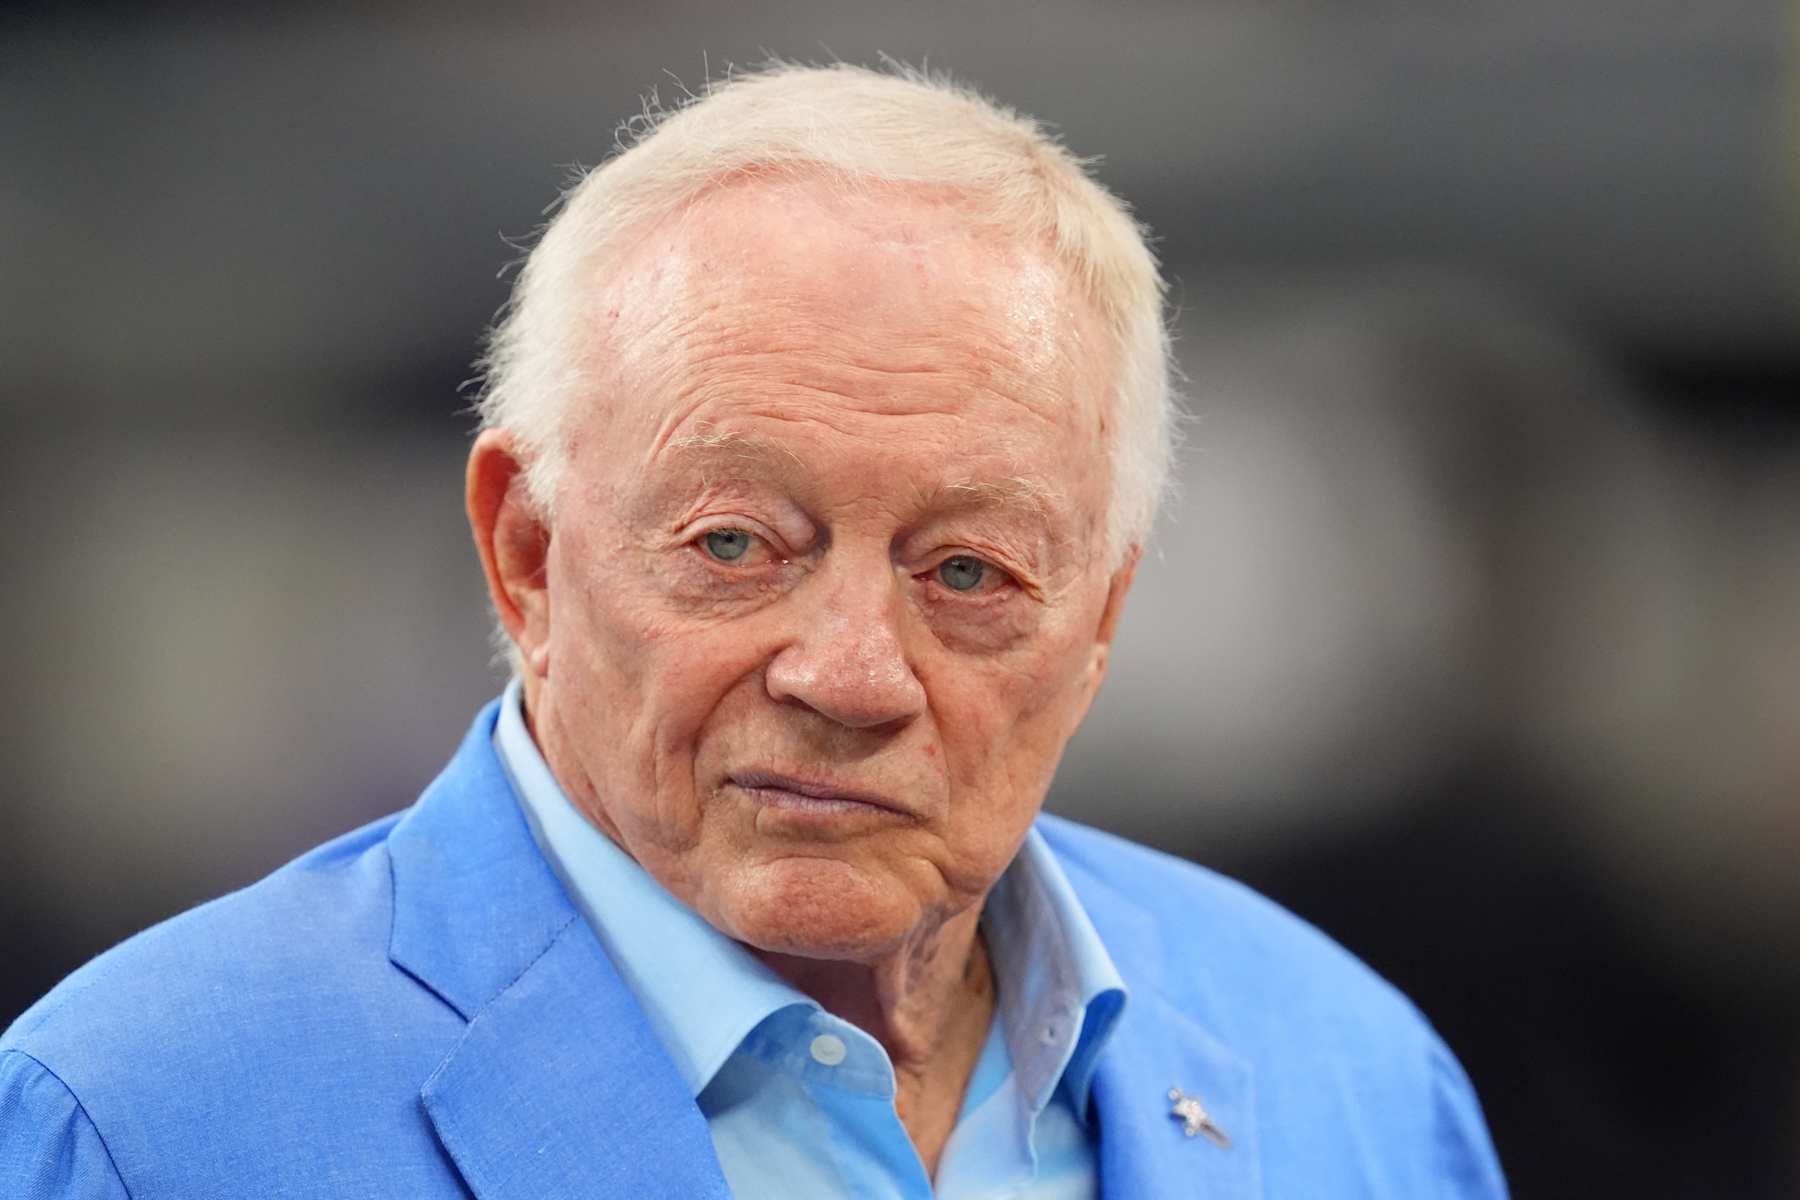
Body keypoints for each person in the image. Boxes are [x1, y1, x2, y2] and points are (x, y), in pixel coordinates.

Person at [0, 63, 1506, 1198]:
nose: (851, 676)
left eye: (969, 574)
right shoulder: (142, 1122)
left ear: (1101, 616)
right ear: (527, 557)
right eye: (736, 546)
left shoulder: (1351, 1080)